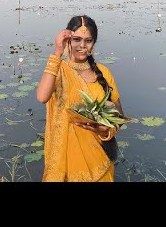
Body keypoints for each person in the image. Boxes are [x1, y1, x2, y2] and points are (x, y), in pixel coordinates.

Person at [36, 15, 124, 182]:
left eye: (88, 40)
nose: (82, 46)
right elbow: (41, 97)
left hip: (99, 158)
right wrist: (57, 53)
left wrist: (105, 130)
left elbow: (119, 116)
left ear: (94, 44)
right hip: (66, 163)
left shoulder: (104, 73)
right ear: (68, 40)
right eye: (76, 39)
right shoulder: (59, 70)